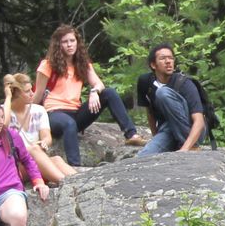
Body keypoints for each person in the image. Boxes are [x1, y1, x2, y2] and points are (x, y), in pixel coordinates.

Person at [35, 24, 146, 166]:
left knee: (109, 93)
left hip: (75, 113)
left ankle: (131, 135)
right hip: (53, 114)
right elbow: (37, 96)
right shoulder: (47, 65)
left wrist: (94, 92)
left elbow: (99, 84)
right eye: (65, 42)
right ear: (58, 44)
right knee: (70, 124)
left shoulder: (82, 64)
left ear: (77, 42)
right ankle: (76, 168)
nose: (69, 45)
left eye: (72, 41)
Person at [134, 44, 212, 157]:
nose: (168, 61)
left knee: (163, 93)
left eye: (171, 58)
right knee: (142, 157)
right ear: (153, 65)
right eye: (162, 58)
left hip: (192, 130)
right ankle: (176, 142)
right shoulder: (145, 82)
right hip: (168, 129)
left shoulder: (184, 83)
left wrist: (186, 148)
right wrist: (156, 136)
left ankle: (190, 145)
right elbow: (150, 112)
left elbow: (199, 121)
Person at [3, 72, 76, 185]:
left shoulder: (39, 110)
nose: (32, 94)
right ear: (16, 93)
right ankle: (66, 183)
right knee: (33, 149)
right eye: (27, 91)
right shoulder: (3, 111)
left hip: (34, 162)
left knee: (56, 159)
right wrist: (8, 97)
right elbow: (3, 125)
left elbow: (47, 137)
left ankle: (80, 182)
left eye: (31, 90)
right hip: (13, 167)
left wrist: (44, 142)